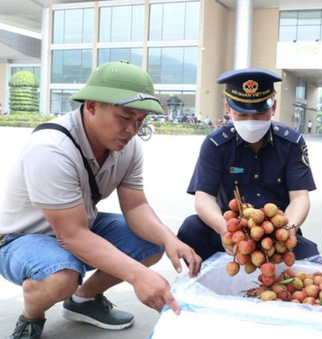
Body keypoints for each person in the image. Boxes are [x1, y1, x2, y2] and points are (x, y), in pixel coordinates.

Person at [0, 61, 202, 339]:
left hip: (81, 224)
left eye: (140, 120)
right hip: (23, 237)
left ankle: (84, 299)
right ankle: (31, 317)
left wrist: (169, 239)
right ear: (92, 105)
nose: (132, 129)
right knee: (61, 276)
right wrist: (138, 276)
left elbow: (136, 206)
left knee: (152, 243)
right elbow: (72, 236)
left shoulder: (128, 147)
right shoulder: (51, 149)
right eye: (125, 116)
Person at [177, 68, 319, 262]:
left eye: (260, 113)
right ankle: (213, 281)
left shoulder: (291, 143)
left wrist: (289, 230)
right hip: (231, 229)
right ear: (228, 109)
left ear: (273, 107)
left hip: (277, 235)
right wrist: (223, 229)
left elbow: (299, 197)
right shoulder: (216, 144)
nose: (251, 121)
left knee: (311, 262)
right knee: (191, 229)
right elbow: (204, 198)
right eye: (242, 115)